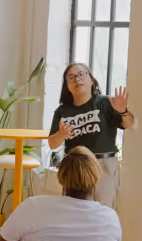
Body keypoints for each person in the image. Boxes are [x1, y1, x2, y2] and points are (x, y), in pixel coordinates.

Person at [47, 61, 132, 206]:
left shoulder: (106, 102)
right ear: (67, 86)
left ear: (92, 80)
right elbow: (52, 144)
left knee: (103, 210)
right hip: (76, 166)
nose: (77, 80)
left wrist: (123, 111)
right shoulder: (62, 111)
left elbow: (128, 124)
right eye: (71, 77)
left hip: (104, 164)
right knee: (73, 209)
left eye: (81, 75)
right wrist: (60, 134)